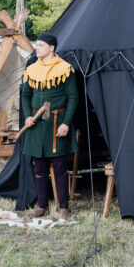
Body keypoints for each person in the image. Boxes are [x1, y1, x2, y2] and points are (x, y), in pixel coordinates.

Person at [21, 32, 77, 219]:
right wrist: (28, 116)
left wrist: (66, 123)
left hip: (56, 122)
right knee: (39, 166)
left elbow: (73, 97)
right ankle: (42, 206)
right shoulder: (32, 69)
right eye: (37, 45)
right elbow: (25, 96)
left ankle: (63, 207)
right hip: (37, 124)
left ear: (51, 48)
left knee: (59, 166)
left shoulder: (65, 69)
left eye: (41, 45)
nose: (37, 48)